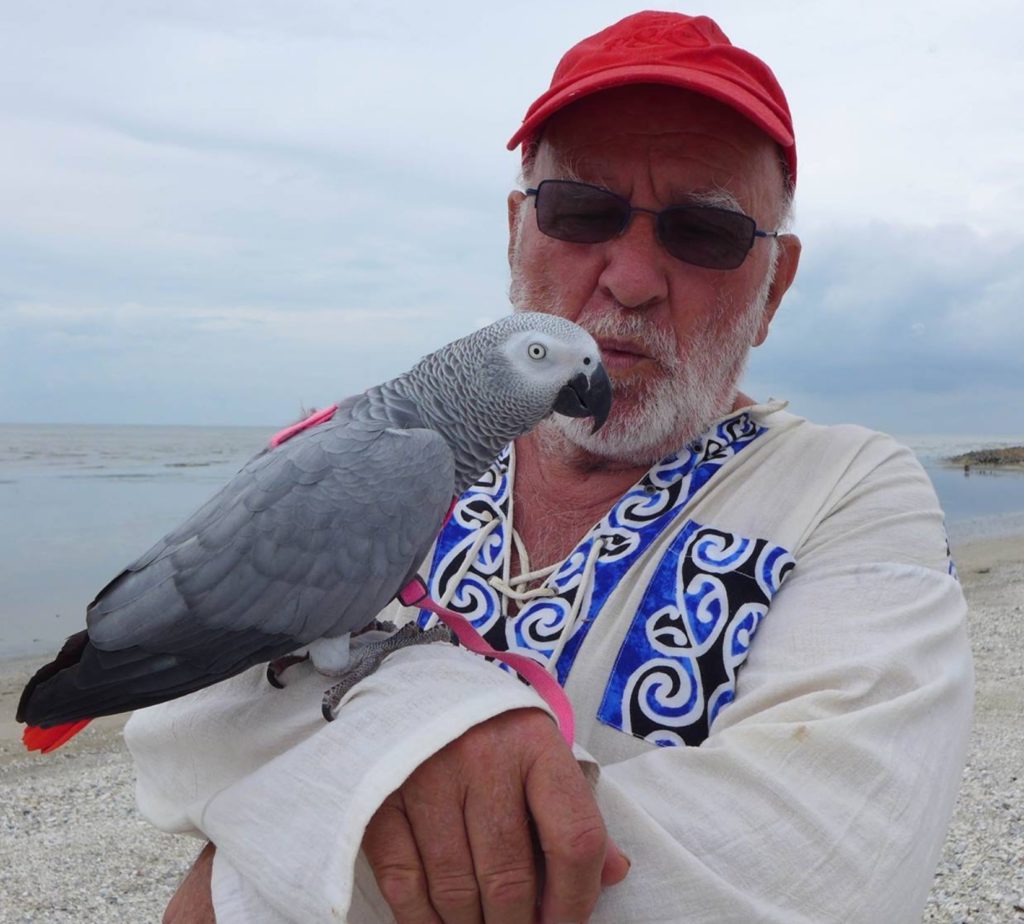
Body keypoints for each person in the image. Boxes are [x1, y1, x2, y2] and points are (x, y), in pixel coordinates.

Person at [128, 11, 973, 924]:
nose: (633, 278)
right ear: (513, 234)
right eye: (581, 211)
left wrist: (290, 834)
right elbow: (175, 731)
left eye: (706, 231)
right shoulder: (340, 454)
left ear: (776, 286)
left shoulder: (850, 493)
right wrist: (410, 733)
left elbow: (820, 865)